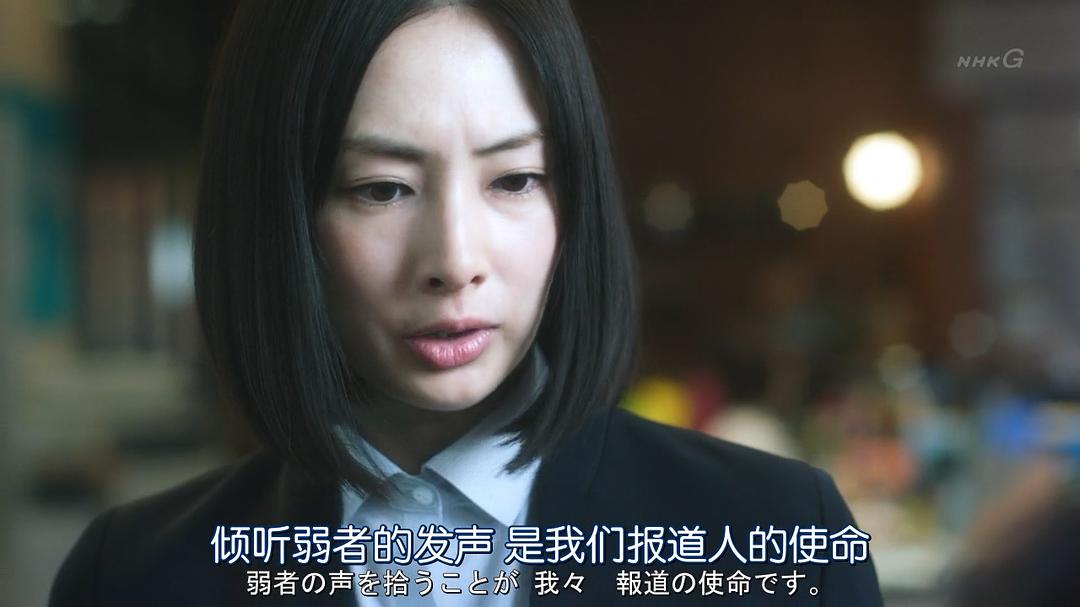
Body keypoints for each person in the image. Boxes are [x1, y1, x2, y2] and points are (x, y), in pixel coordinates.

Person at [49, 1, 883, 605]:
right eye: (382, 188)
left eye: (514, 179)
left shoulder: (777, 535)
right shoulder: (134, 575)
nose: (455, 260)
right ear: (277, 216)